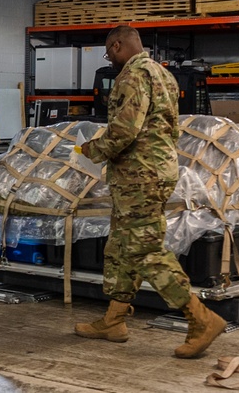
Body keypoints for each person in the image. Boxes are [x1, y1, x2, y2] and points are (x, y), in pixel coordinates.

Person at [73, 25, 226, 358]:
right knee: (120, 245)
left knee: (144, 249)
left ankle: (200, 318)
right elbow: (169, 128)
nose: (110, 59)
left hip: (139, 176)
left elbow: (124, 130)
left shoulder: (130, 77)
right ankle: (114, 319)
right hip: (155, 171)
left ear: (116, 46)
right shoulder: (163, 74)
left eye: (108, 52)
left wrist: (90, 151)